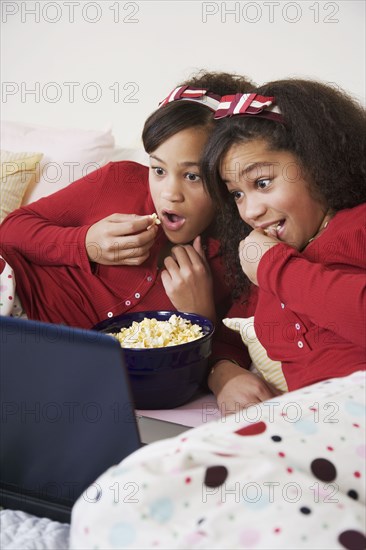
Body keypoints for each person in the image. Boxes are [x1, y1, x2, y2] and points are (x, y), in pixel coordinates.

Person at [0, 71, 277, 395]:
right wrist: (85, 242)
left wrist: (200, 317)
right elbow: (11, 229)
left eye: (192, 176)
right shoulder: (121, 180)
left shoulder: (246, 256)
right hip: (15, 293)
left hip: (49, 364)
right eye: (158, 170)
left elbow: (232, 346)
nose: (169, 193)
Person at [201, 79, 366, 410]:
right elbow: (226, 340)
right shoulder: (266, 257)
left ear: (317, 162)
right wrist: (225, 376)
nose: (250, 211)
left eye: (263, 182)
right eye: (236, 193)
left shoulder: (357, 226)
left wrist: (273, 268)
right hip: (312, 432)